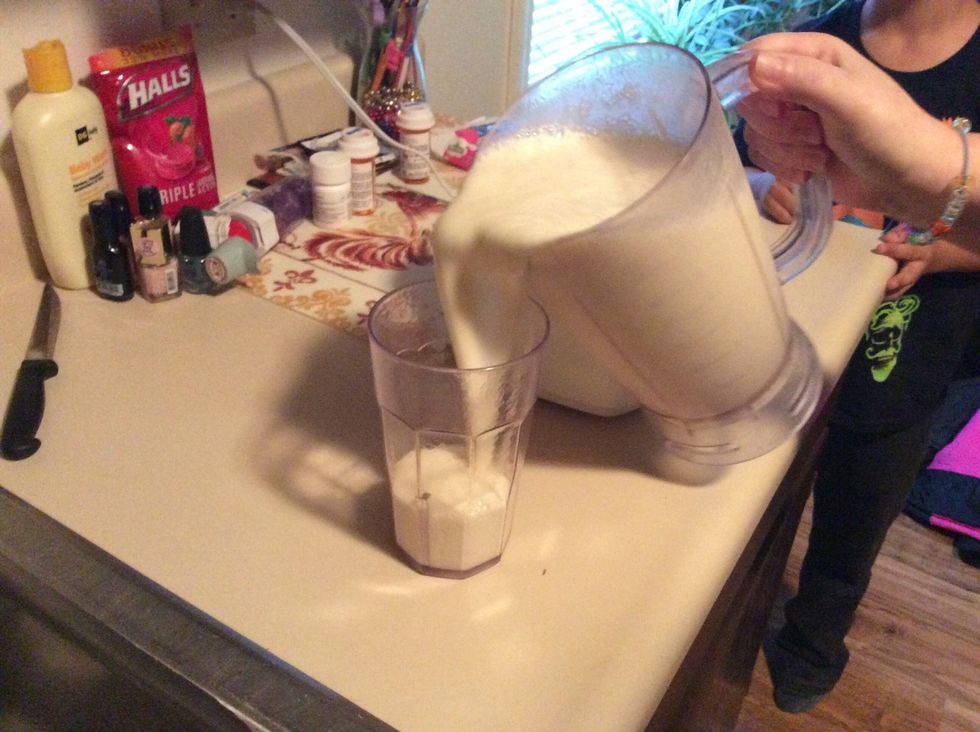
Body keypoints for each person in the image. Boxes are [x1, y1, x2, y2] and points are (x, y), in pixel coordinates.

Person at [734, 2, 980, 714]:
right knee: (761, 511)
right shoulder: (826, 39)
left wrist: (951, 248)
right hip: (794, 354)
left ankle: (813, 645)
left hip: (902, 371)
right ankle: (743, 624)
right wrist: (768, 169)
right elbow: (754, 153)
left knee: (851, 528)